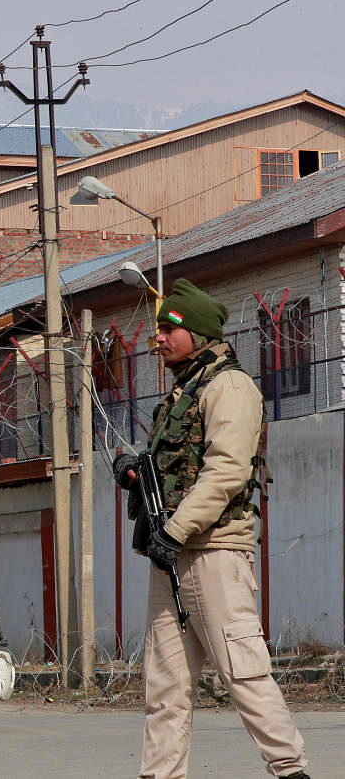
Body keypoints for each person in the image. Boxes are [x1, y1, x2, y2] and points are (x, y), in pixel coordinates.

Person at [114, 279, 308, 779]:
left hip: (214, 551)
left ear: (198, 333)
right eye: (156, 329)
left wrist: (175, 530)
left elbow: (226, 470)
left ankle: (291, 770)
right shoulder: (187, 389)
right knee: (165, 686)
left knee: (244, 672)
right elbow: (177, 461)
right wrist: (135, 468)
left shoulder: (229, 387)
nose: (157, 338)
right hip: (173, 552)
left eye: (168, 329)